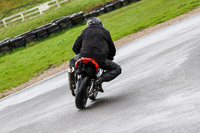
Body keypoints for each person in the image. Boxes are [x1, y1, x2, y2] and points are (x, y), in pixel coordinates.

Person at [68, 17, 122, 96]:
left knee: (72, 61)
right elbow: (112, 48)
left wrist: (80, 54)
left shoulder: (84, 31)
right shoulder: (105, 31)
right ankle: (100, 80)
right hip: (99, 59)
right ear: (100, 23)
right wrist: (110, 58)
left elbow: (75, 47)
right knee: (117, 68)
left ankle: (73, 84)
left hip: (83, 56)